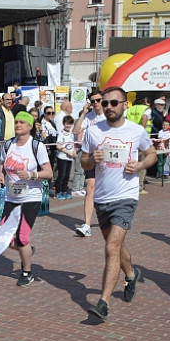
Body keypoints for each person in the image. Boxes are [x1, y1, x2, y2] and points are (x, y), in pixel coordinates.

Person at [80, 87, 157, 321]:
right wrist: (92, 159)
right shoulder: (93, 132)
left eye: (114, 102)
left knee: (112, 247)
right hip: (102, 198)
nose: (109, 107)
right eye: (105, 103)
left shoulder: (136, 131)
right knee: (116, 245)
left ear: (125, 105)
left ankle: (103, 302)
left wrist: (140, 166)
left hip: (126, 197)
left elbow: (151, 153)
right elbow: (83, 162)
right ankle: (131, 274)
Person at [0, 111, 52, 286]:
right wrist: (1, 174)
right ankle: (26, 249)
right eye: (16, 122)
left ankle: (27, 272)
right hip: (11, 196)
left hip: (31, 197)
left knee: (22, 238)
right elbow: (2, 164)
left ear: (30, 126)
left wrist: (31, 174)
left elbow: (49, 173)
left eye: (22, 122)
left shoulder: (37, 146)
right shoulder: (8, 145)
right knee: (3, 237)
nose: (18, 125)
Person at [72, 90, 105, 237]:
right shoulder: (89, 117)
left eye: (98, 100)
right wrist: (84, 113)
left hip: (107, 156)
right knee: (90, 187)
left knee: (106, 189)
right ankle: (87, 224)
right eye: (93, 101)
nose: (96, 103)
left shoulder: (109, 115)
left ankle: (111, 219)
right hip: (91, 155)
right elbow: (76, 130)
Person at [53, 115, 76, 199]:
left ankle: (64, 191)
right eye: (67, 124)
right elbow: (58, 146)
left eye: (70, 124)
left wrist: (74, 153)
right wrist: (68, 152)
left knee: (67, 175)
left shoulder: (71, 134)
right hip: (62, 157)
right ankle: (57, 192)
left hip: (69, 158)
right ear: (63, 124)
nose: (68, 126)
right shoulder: (61, 134)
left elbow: (73, 145)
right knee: (61, 175)